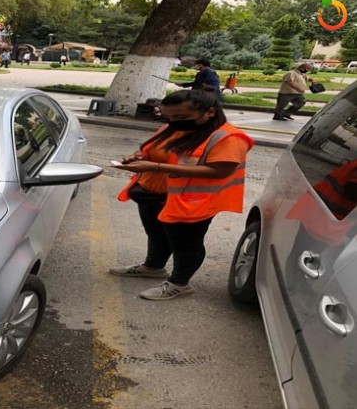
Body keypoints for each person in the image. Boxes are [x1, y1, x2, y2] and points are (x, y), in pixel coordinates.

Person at [109, 89, 254, 301]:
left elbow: (220, 170)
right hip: (152, 193)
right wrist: (136, 156)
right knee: (157, 234)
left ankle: (179, 283)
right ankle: (153, 267)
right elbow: (151, 150)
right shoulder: (172, 128)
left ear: (209, 112)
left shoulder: (227, 137)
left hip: (190, 201)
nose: (173, 121)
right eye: (169, 116)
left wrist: (157, 166)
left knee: (186, 244)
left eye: (180, 117)